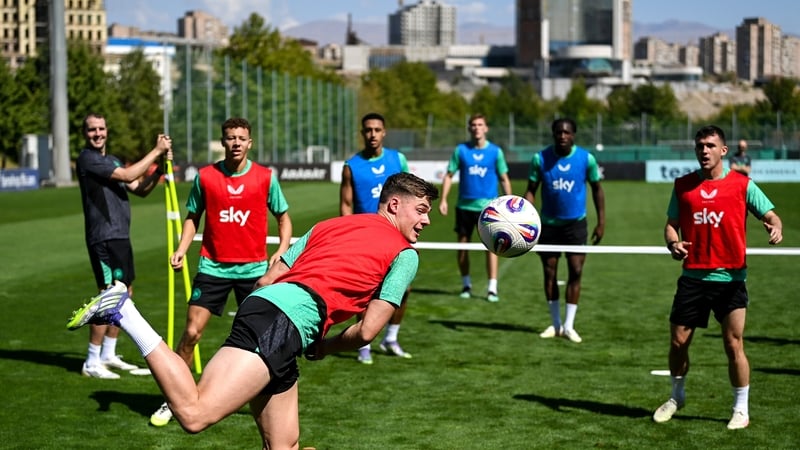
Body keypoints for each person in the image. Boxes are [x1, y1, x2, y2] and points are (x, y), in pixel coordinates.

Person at [67, 172, 439, 448]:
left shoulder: (331, 225)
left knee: (285, 446)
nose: (425, 220)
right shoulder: (405, 254)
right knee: (195, 415)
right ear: (394, 205)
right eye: (420, 210)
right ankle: (124, 310)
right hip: (285, 323)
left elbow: (268, 279)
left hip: (270, 312)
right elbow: (369, 331)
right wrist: (321, 347)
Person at [149, 117, 293, 426]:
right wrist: (181, 249)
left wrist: (280, 251)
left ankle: (264, 397)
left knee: (263, 339)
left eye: (242, 138)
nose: (236, 143)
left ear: (250, 142)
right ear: (223, 141)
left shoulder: (266, 177)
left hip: (254, 270)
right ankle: (173, 400)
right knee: (190, 333)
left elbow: (283, 218)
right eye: (231, 138)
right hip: (212, 267)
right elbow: (192, 217)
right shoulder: (206, 177)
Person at [652, 125, 782, 430]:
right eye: (700, 146)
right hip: (693, 278)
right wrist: (673, 243)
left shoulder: (742, 184)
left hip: (731, 279)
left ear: (724, 151)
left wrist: (775, 226)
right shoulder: (683, 186)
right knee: (677, 342)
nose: (704, 151)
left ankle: (741, 409)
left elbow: (771, 214)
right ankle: (676, 396)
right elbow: (671, 225)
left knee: (733, 344)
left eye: (710, 145)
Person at [75, 113, 172, 379]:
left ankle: (109, 353)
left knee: (124, 295)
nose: (97, 133)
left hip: (120, 236)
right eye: (92, 129)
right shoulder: (88, 158)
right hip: (103, 237)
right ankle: (92, 360)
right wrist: (156, 150)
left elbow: (139, 187)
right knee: (108, 297)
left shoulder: (112, 160)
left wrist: (160, 170)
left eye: (101, 129)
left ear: (107, 130)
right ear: (85, 133)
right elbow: (129, 173)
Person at [340, 112, 414, 364]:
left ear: (384, 132)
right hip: (365, 238)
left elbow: (412, 194)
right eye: (368, 130)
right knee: (365, 292)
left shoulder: (397, 159)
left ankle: (390, 337)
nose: (372, 134)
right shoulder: (352, 165)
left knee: (403, 289)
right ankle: (363, 344)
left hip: (397, 236)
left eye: (377, 130)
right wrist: (349, 235)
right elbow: (346, 203)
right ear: (363, 133)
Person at [523, 118, 605, 344]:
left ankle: (569, 325)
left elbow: (597, 189)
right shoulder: (540, 159)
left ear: (574, 135)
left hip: (576, 225)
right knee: (549, 273)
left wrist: (601, 221)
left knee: (576, 271)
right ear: (553, 134)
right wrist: (525, 219)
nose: (562, 136)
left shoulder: (586, 159)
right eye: (558, 132)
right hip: (548, 225)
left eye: (567, 132)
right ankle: (556, 324)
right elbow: (530, 190)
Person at [438, 113, 512, 302]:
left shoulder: (495, 152)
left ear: (486, 128)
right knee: (462, 246)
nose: (476, 127)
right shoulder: (461, 150)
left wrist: (509, 204)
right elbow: (448, 175)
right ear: (469, 128)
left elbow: (504, 178)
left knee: (491, 247)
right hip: (464, 206)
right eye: (473, 124)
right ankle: (466, 284)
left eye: (480, 124)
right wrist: (443, 199)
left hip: (489, 208)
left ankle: (492, 288)